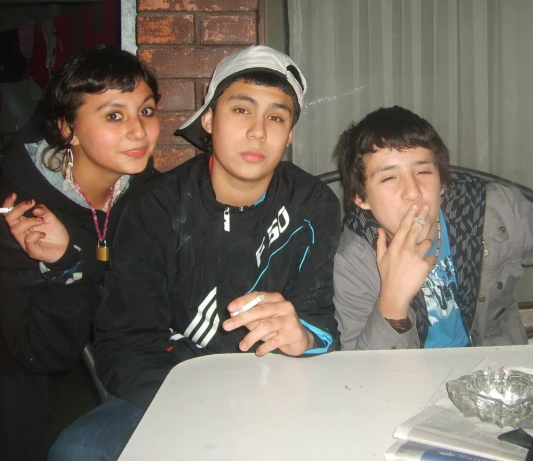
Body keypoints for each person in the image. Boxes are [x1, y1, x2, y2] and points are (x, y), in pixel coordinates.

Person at [48, 45, 341, 461]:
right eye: (241, 110)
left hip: (278, 381)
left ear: (290, 134)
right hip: (171, 385)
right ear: (209, 119)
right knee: (77, 450)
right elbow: (124, 343)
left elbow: (322, 323)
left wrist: (304, 335)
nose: (258, 131)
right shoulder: (156, 208)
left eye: (276, 117)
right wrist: (198, 410)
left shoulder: (315, 205)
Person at [332, 106, 533, 350]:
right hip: (408, 386)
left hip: (493, 372)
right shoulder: (355, 258)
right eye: (389, 177)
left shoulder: (490, 211)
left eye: (423, 172)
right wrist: (392, 302)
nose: (413, 191)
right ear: (361, 197)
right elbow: (364, 375)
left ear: (443, 183)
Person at [0, 46, 160, 461]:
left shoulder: (149, 196)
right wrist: (65, 266)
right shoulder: (17, 211)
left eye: (146, 111)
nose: (139, 131)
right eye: (113, 115)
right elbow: (43, 354)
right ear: (67, 127)